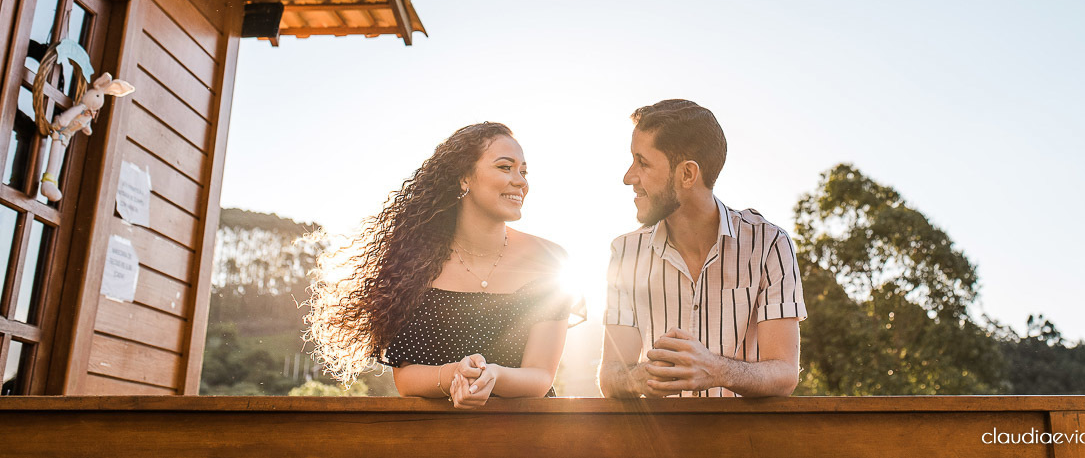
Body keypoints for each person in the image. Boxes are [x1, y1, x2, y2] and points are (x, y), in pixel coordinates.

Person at [306, 122, 573, 407]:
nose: (521, 181)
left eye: (523, 171)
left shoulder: (549, 259)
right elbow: (406, 380)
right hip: (438, 438)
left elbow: (540, 375)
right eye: (505, 167)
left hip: (530, 437)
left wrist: (492, 376)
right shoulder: (415, 263)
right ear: (463, 178)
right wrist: (453, 376)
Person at [598, 100, 806, 398]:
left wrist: (715, 369)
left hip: (744, 441)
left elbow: (785, 374)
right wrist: (639, 377)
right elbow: (611, 375)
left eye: (642, 162)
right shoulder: (625, 252)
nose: (629, 177)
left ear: (687, 174)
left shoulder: (770, 244)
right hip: (659, 442)